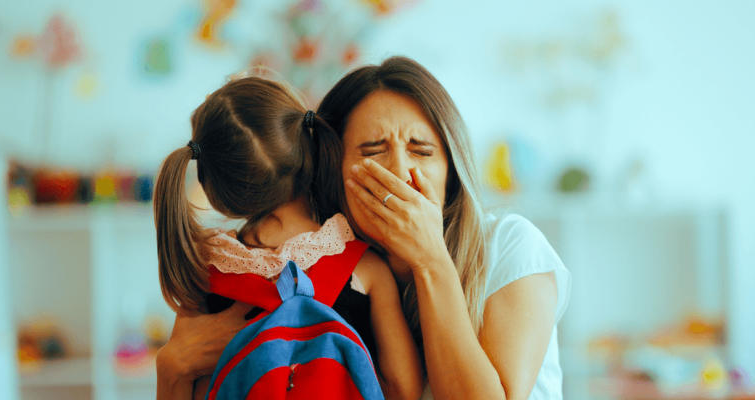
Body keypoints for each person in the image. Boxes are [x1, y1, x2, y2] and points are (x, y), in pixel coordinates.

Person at [156, 58, 571, 400]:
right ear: (330, 166)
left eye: (422, 150)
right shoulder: (343, 263)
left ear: (452, 167)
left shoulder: (510, 245)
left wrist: (429, 259)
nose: (399, 172)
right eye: (372, 152)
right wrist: (172, 368)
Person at [152, 76, 423, 400]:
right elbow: (403, 391)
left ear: (222, 192)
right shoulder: (365, 269)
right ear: (307, 147)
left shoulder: (205, 274)